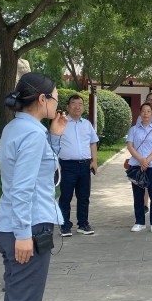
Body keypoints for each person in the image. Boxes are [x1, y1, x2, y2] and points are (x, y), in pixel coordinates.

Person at [0, 72, 67, 301]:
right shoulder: (31, 134)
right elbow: (23, 189)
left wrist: (55, 137)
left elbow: (41, 172)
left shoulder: (17, 128)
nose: (57, 104)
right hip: (27, 228)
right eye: (55, 98)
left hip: (10, 224)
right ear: (42, 99)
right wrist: (24, 234)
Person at [58, 94, 99, 237]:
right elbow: (54, 143)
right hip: (67, 166)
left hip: (85, 166)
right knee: (66, 196)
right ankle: (64, 225)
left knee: (84, 197)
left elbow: (93, 142)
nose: (77, 107)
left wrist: (94, 161)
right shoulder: (61, 123)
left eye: (80, 104)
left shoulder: (87, 124)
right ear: (68, 106)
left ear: (83, 107)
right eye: (74, 104)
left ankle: (83, 224)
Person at [127, 102, 152, 232]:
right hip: (137, 166)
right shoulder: (133, 129)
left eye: (148, 111)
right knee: (138, 195)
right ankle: (139, 222)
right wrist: (141, 160)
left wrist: (147, 160)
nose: (146, 113)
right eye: (143, 111)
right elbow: (130, 146)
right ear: (140, 113)